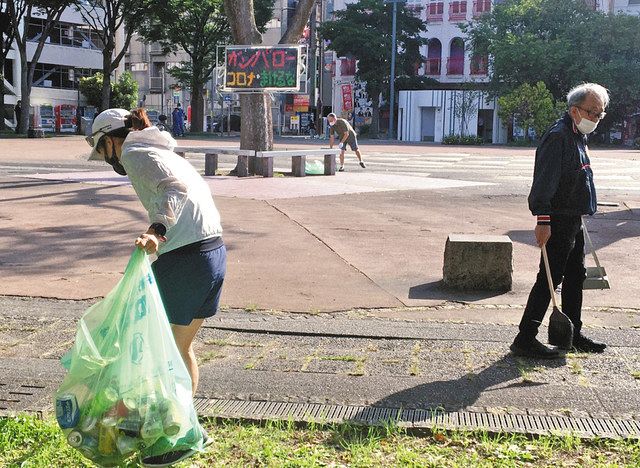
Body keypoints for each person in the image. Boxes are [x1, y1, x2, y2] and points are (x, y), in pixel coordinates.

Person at [86, 108, 224, 466]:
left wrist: (156, 230)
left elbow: (172, 189)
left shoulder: (133, 153)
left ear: (110, 141)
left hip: (185, 258)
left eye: (102, 151)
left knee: (157, 352)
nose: (105, 160)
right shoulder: (161, 150)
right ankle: (188, 429)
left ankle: (172, 437)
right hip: (212, 253)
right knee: (179, 350)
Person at [510, 83, 609, 359]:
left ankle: (571, 334)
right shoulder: (558, 136)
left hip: (572, 218)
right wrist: (543, 220)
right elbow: (544, 183)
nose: (596, 118)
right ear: (575, 110)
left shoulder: (577, 134)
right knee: (549, 279)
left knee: (576, 275)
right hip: (557, 218)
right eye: (593, 112)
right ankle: (525, 338)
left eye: (600, 114)